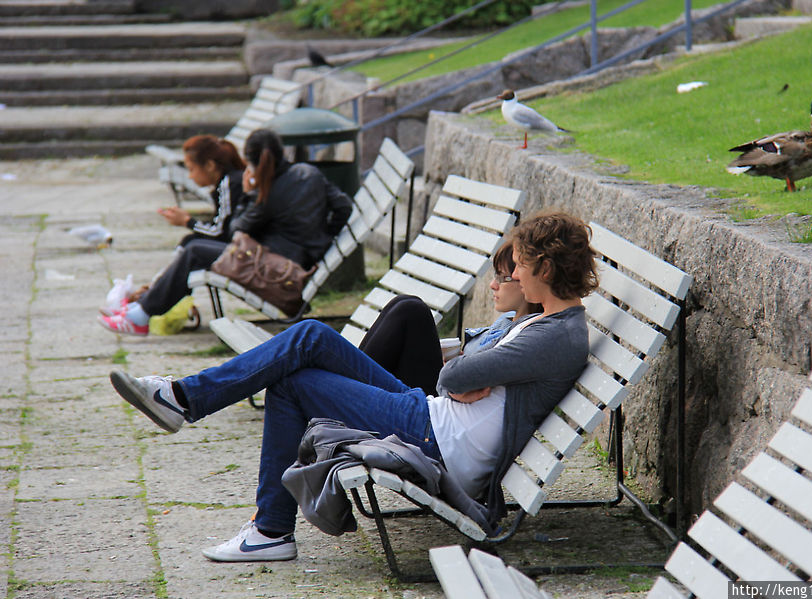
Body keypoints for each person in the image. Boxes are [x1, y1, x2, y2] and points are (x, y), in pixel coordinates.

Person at [108, 211, 598, 562]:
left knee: (294, 374)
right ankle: (252, 505)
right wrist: (474, 373)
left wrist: (471, 375)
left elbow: (454, 376)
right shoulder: (543, 324)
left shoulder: (557, 335)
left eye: (520, 266)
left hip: (437, 440)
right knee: (308, 341)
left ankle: (254, 504)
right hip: (430, 415)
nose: (511, 274)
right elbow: (464, 375)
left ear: (546, 269)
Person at [98, 129, 353, 336]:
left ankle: (139, 316)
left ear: (254, 163)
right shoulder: (310, 173)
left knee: (195, 250)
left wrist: (249, 192)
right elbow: (344, 206)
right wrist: (323, 241)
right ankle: (140, 308)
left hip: (276, 269)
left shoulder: (268, 189)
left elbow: (236, 230)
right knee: (194, 246)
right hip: (290, 260)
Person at [358, 240, 543, 395]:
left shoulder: (531, 333)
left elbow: (487, 383)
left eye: (504, 278)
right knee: (403, 303)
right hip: (446, 388)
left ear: (528, 279)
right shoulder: (507, 321)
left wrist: (458, 367)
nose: (493, 285)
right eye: (495, 276)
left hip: (445, 407)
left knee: (412, 310)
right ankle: (349, 384)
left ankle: (349, 386)